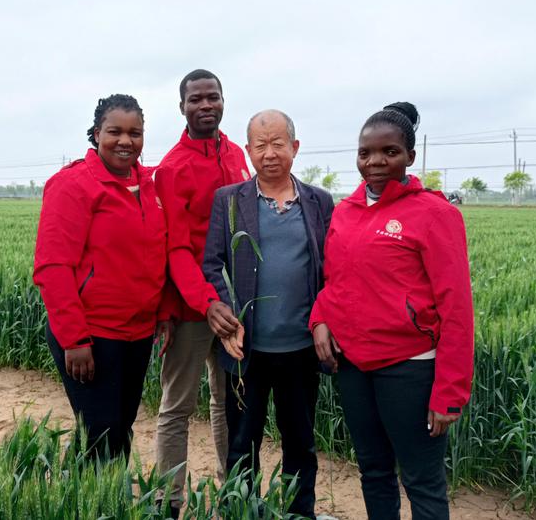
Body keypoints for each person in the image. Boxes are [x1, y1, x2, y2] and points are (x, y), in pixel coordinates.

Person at [310, 102, 474, 520]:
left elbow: (457, 308)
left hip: (410, 369)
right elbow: (335, 281)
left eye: (389, 152)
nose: (376, 162)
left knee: (422, 481)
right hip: (353, 367)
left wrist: (449, 393)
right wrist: (320, 319)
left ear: (410, 157)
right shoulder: (345, 212)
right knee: (374, 471)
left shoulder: (436, 214)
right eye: (366, 153)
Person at [203, 109, 334, 520]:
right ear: (248, 151)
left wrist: (325, 319)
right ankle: (244, 511)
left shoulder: (319, 202)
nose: (270, 153)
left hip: (300, 348)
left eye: (278, 143)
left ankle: (301, 513)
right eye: (260, 145)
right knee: (243, 444)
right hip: (247, 352)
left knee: (300, 443)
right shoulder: (229, 201)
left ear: (295, 148)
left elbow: (333, 269)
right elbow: (211, 263)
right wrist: (224, 312)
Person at [33, 94, 175, 461]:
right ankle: (84, 503)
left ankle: (108, 503)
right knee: (99, 434)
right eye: (115, 131)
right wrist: (74, 338)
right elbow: (53, 267)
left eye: (135, 133)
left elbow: (156, 254)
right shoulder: (73, 185)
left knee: (120, 429)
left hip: (138, 333)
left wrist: (161, 312)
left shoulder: (149, 185)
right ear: (97, 133)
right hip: (92, 334)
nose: (126, 141)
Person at [154, 69, 250, 516]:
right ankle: (169, 502)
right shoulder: (172, 168)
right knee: (177, 406)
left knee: (228, 400)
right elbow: (175, 248)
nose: (205, 106)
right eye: (196, 100)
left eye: (213, 97)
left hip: (235, 306)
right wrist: (204, 302)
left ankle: (232, 493)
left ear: (224, 101)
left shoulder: (235, 154)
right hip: (193, 306)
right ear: (182, 108)